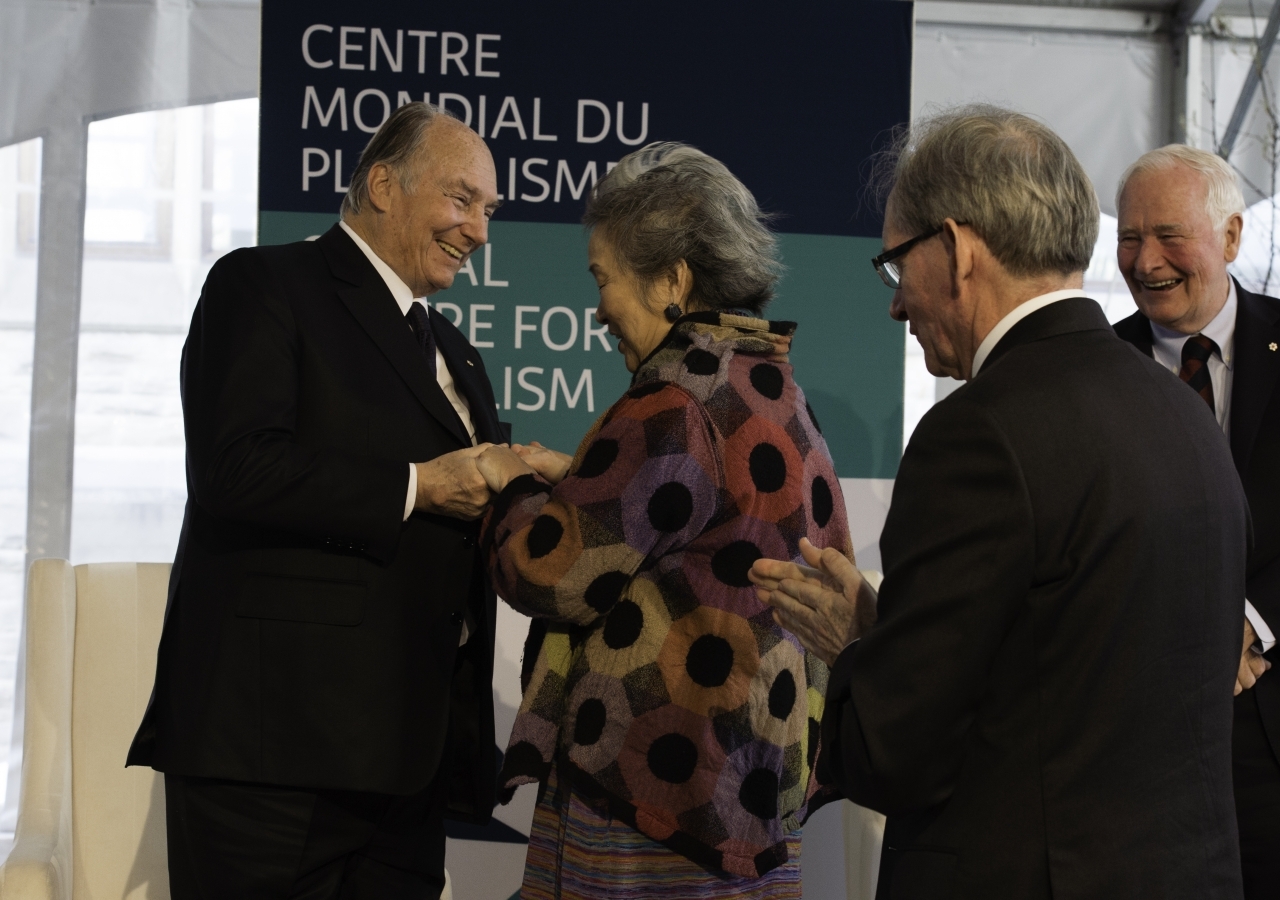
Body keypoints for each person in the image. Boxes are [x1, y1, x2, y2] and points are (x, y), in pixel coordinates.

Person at [751, 106, 1248, 899]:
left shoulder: (977, 435)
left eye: (894, 264)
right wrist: (891, 632)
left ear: (957, 250)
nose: (894, 303)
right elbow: (1075, 673)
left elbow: (894, 753)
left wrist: (856, 649)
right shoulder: (1181, 410)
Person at [126, 103, 506, 899]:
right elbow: (235, 469)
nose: (478, 231)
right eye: (461, 199)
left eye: (489, 212)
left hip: (405, 763)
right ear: (382, 185)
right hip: (271, 757)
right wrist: (420, 483)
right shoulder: (263, 285)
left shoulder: (457, 355)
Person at [470, 142, 849, 898]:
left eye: (603, 278)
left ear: (672, 280)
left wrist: (508, 487)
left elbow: (552, 573)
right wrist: (576, 481)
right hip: (750, 806)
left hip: (651, 811)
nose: (598, 307)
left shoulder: (674, 401)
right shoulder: (775, 388)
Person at [1112, 144, 1279, 898]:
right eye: (1128, 237)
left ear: (1233, 238)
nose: (1146, 262)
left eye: (1169, 235)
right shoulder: (1093, 366)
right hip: (1133, 747)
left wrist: (1248, 620)